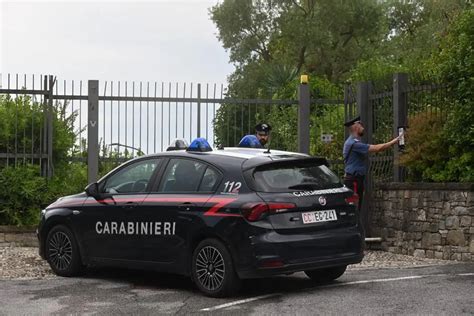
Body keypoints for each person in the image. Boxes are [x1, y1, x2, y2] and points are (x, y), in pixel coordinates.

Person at [343, 116, 400, 227]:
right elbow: (377, 148)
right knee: (353, 209)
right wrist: (394, 141)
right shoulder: (353, 144)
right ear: (355, 127)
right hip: (353, 181)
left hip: (356, 180)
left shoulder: (353, 142)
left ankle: (354, 231)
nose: (363, 127)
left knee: (356, 209)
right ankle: (352, 232)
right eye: (360, 124)